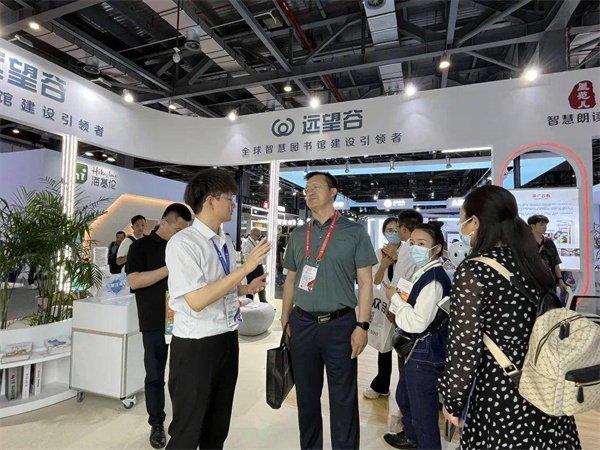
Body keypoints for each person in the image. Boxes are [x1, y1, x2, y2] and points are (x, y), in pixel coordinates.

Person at [441, 185, 580, 449]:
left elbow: (464, 347)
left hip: (502, 392)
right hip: (546, 387)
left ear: (476, 222)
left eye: (463, 220)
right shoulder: (531, 263)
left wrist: (452, 400)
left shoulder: (473, 271)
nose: (463, 228)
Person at [165, 169, 270, 450]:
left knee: (218, 425)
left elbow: (221, 286)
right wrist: (246, 268)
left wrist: (245, 288)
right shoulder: (183, 243)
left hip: (226, 338)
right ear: (210, 201)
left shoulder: (224, 240)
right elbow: (197, 300)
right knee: (188, 430)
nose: (233, 204)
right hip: (196, 345)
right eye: (229, 198)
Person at [281, 171, 378, 449]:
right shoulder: (299, 234)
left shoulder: (354, 231)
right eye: (307, 188)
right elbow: (290, 279)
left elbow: (365, 281)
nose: (309, 192)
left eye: (316, 187)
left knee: (343, 398)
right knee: (306, 397)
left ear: (333, 192)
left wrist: (362, 325)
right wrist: (285, 320)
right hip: (302, 324)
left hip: (340, 325)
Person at [126, 204, 192, 449]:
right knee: (155, 375)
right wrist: (168, 268)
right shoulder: (140, 247)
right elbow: (135, 280)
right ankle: (156, 423)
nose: (180, 235)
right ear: (164, 223)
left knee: (183, 375)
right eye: (177, 230)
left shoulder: (184, 247)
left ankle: (184, 422)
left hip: (184, 319)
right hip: (154, 321)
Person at [383, 223, 451, 450]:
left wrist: (394, 299)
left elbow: (418, 322)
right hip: (416, 350)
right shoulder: (423, 272)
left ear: (437, 249)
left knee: (424, 414)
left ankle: (423, 442)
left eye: (422, 244)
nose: (414, 248)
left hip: (425, 352)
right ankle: (412, 437)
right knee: (405, 398)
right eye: (412, 243)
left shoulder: (434, 280)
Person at [363, 217, 400, 400]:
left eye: (396, 229)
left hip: (404, 303)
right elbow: (376, 280)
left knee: (404, 345)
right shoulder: (379, 253)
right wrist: (384, 265)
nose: (392, 233)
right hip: (386, 302)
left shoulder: (407, 252)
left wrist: (397, 258)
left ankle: (405, 390)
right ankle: (381, 385)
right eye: (389, 230)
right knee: (384, 346)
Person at [527, 214, 569, 292]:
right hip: (531, 281)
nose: (545, 227)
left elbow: (555, 262)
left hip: (549, 281)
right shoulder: (525, 242)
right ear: (532, 226)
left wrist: (560, 279)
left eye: (546, 225)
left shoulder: (549, 242)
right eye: (541, 224)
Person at [389, 210, 423, 289]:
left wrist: (391, 292)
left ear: (403, 229)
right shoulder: (422, 244)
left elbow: (399, 276)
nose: (396, 231)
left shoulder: (408, 246)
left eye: (397, 227)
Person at [241, 228, 266, 302]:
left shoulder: (256, 242)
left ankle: (263, 300)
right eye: (257, 236)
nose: (258, 237)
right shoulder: (246, 242)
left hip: (259, 266)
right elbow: (246, 255)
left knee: (261, 284)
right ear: (252, 234)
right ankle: (249, 301)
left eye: (259, 236)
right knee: (251, 285)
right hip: (252, 267)